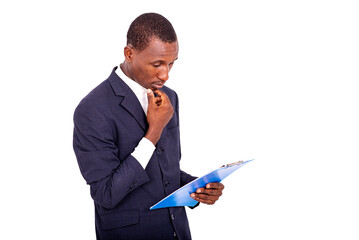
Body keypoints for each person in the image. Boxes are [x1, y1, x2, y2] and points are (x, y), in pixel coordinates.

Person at [73, 13, 224, 240]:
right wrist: (153, 132)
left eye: (171, 63)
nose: (166, 74)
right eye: (157, 64)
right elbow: (106, 193)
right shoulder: (92, 109)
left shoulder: (169, 97)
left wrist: (199, 188)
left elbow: (164, 173)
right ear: (129, 53)